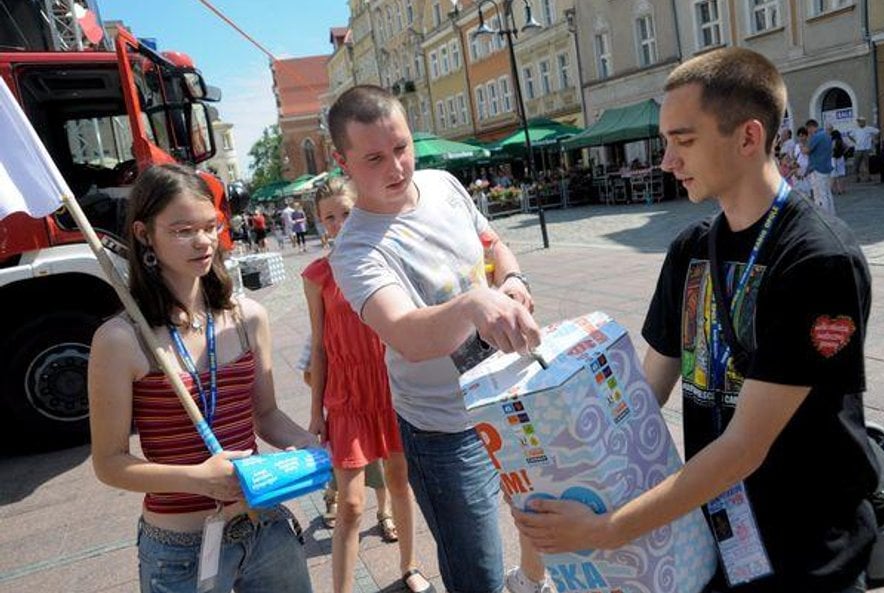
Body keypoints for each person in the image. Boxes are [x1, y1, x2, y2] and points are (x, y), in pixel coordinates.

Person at [512, 47, 879, 593]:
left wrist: (609, 529)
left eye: (683, 141)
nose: (666, 161)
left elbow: (744, 447)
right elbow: (642, 397)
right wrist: (545, 452)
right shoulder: (691, 250)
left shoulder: (816, 260)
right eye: (666, 143)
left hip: (808, 551)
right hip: (720, 534)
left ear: (749, 137)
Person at [326, 85, 546, 593]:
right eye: (375, 158)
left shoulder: (444, 184)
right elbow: (407, 335)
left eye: (402, 147)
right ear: (344, 162)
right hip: (446, 432)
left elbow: (494, 247)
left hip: (510, 398)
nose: (397, 168)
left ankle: (532, 584)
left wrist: (512, 282)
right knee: (479, 576)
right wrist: (473, 303)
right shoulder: (355, 249)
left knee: (543, 521)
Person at [88, 163, 317, 593]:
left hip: (265, 526)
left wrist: (310, 446)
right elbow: (110, 463)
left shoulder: (247, 318)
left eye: (211, 226)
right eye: (182, 230)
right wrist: (197, 478)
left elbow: (266, 416)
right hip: (180, 546)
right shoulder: (121, 339)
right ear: (143, 234)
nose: (203, 241)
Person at [300, 177, 432, 593]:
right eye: (329, 218)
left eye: (346, 213)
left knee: (398, 481)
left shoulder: (382, 259)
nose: (339, 224)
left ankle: (410, 565)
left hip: (390, 384)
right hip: (347, 395)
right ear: (320, 223)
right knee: (352, 504)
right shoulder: (317, 275)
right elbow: (319, 346)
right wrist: (314, 411)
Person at [803, 118, 835, 215]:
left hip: (817, 168)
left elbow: (806, 150)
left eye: (808, 129)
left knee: (819, 194)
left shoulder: (816, 136)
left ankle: (824, 215)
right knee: (827, 192)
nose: (808, 132)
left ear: (811, 127)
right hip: (826, 167)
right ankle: (831, 213)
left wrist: (804, 144)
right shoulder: (827, 135)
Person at [847, 117, 879, 183]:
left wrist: (874, 139)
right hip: (858, 149)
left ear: (864, 122)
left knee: (867, 164)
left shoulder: (869, 128)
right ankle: (857, 177)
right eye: (858, 122)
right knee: (856, 164)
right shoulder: (855, 129)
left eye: (861, 121)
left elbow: (878, 132)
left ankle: (868, 177)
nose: (859, 123)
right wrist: (854, 141)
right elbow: (849, 135)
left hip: (866, 149)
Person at [830, 129, 848, 195]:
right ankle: (842, 189)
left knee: (833, 175)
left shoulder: (833, 141)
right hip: (841, 158)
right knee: (841, 174)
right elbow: (847, 147)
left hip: (834, 159)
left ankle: (832, 189)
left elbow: (831, 150)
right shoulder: (841, 141)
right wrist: (843, 152)